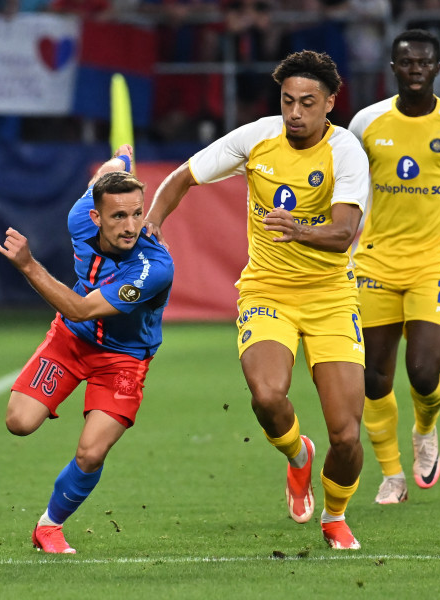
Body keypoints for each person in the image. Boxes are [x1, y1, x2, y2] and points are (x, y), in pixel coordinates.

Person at [144, 50, 370, 550]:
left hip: (331, 296)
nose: (295, 112)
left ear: (330, 103)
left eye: (307, 103)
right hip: (267, 289)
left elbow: (344, 234)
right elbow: (183, 177)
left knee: (348, 437)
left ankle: (335, 517)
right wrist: (154, 220)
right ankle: (297, 457)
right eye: (288, 101)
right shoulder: (257, 137)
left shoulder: (346, 152)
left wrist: (300, 229)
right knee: (268, 396)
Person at [347, 29, 440, 505]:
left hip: (433, 265)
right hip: (373, 261)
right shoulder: (366, 123)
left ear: (438, 68)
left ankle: (426, 429)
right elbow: (344, 184)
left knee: (422, 373)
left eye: (424, 63)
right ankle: (392, 474)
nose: (415, 69)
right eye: (406, 62)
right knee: (374, 377)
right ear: (393, 68)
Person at [0, 145, 174, 553]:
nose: (131, 226)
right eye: (118, 216)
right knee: (19, 421)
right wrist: (119, 161)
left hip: (124, 359)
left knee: (92, 452)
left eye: (136, 213)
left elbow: (80, 306)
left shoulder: (153, 267)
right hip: (72, 340)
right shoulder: (79, 217)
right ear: (95, 217)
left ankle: (49, 526)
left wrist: (28, 265)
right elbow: (103, 178)